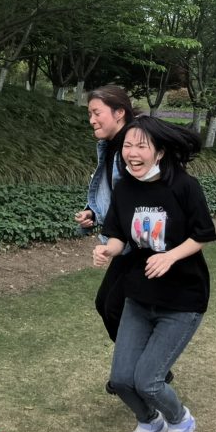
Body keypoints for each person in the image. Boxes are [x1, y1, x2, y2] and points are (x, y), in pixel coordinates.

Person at [92, 116, 216, 432]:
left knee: (148, 381)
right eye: (127, 146)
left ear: (159, 152)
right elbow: (118, 235)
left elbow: (203, 234)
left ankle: (180, 422)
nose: (132, 153)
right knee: (121, 379)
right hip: (140, 295)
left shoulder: (184, 186)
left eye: (141, 146)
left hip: (182, 300)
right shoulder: (125, 188)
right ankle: (150, 422)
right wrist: (108, 250)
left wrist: (169, 257)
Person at [74, 85, 135, 344]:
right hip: (124, 241)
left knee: (113, 306)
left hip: (142, 242)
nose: (91, 120)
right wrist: (94, 214)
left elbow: (139, 196)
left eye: (96, 112)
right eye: (89, 114)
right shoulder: (109, 146)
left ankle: (146, 370)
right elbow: (116, 195)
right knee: (106, 304)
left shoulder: (133, 147)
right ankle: (137, 367)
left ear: (119, 112)